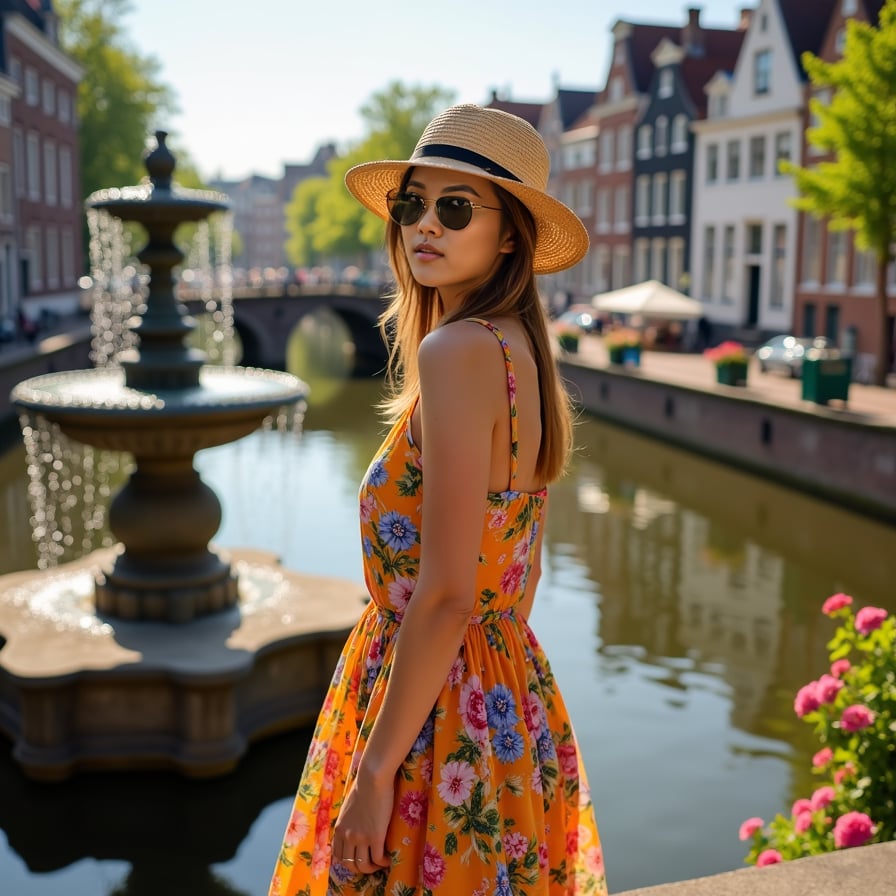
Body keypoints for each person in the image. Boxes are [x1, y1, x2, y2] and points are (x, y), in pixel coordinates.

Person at [269, 104, 607, 896]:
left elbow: (450, 592)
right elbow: (514, 580)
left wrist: (377, 772)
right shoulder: (521, 352)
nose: (425, 224)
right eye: (411, 204)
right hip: (507, 701)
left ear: (512, 232)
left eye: (455, 208)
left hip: (435, 716)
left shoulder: (456, 351)